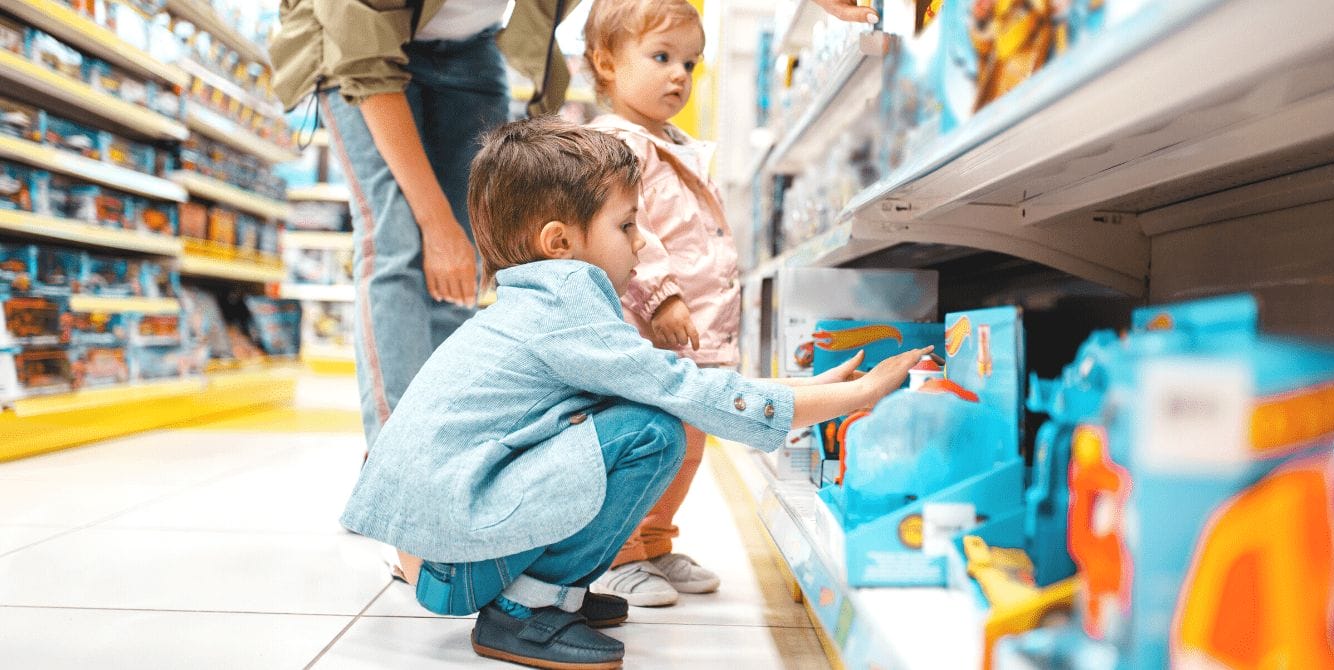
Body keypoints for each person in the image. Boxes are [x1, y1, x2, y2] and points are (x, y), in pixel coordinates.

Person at [339, 116, 933, 669]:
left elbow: (680, 381)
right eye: (626, 226)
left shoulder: (538, 297)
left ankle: (551, 588)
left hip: (437, 542)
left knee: (643, 412)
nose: (642, 244)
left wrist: (811, 387)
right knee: (650, 430)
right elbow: (684, 393)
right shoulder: (565, 300)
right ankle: (524, 609)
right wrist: (850, 399)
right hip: (452, 559)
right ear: (559, 242)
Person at [270, 0, 576, 581]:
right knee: (397, 244)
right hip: (357, 57)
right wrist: (436, 224)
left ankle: (445, 451)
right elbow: (365, 61)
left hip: (472, 49)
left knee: (466, 252)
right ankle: (399, 474)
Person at [581, 0, 736, 606]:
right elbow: (626, 231)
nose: (680, 76)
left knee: (689, 445)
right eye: (662, 57)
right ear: (606, 63)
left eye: (691, 63)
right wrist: (662, 295)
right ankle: (618, 555)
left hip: (693, 331)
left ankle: (655, 544)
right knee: (647, 441)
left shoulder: (678, 144)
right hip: (645, 328)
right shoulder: (614, 144)